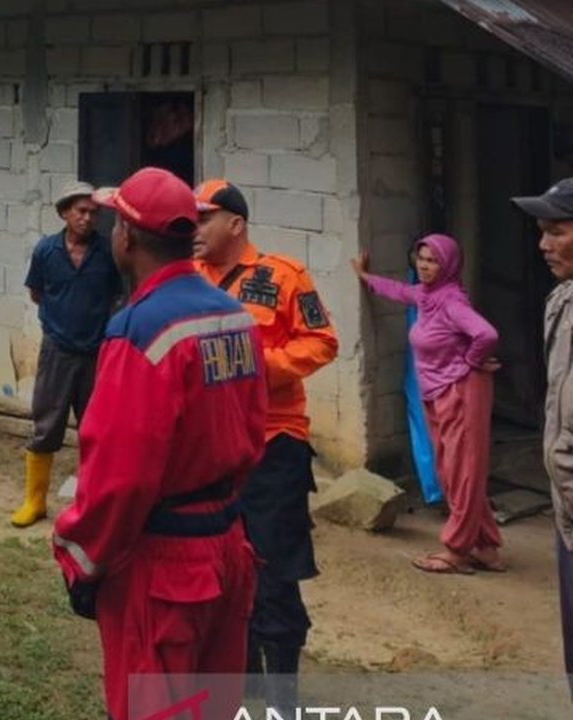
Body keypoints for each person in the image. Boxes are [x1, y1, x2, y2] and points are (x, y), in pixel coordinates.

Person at [52, 168, 266, 720]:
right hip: (226, 546)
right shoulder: (235, 315)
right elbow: (253, 430)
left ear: (126, 235)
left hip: (164, 567)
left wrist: (82, 560)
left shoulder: (139, 330)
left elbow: (120, 478)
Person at [191, 178, 337, 711]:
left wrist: (253, 368)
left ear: (236, 223)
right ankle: (243, 682)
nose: (195, 228)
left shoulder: (282, 275)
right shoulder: (188, 279)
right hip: (212, 447)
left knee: (273, 571)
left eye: (205, 217)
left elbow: (323, 341)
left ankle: (283, 696)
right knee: (226, 568)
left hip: (273, 443)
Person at [351, 235, 504, 574]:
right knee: (452, 471)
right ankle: (486, 547)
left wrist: (471, 361)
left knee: (461, 473)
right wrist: (365, 278)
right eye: (420, 258)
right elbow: (400, 292)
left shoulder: (451, 302)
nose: (424, 265)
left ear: (447, 265)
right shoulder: (426, 295)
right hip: (439, 390)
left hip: (461, 390)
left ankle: (457, 549)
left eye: (433, 260)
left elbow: (486, 334)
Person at [14, 180, 122, 528]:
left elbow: (117, 296)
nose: (88, 218)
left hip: (95, 353)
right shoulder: (46, 251)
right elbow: (36, 293)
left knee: (95, 429)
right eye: (80, 211)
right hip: (57, 351)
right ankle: (35, 502)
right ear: (64, 213)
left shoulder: (107, 253)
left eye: (93, 212)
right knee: (46, 425)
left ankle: (91, 503)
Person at [511, 179, 573, 695]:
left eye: (557, 231)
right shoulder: (561, 301)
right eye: (542, 231)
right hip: (566, 512)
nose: (543, 244)